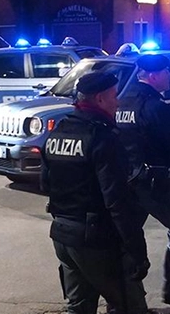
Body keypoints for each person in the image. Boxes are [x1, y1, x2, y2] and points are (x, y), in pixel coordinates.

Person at [41, 70, 152, 314]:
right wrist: (136, 249)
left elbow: (45, 184)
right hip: (96, 238)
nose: (118, 101)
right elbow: (117, 200)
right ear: (100, 99)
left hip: (62, 234)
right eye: (114, 95)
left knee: (79, 307)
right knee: (129, 305)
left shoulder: (59, 130)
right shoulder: (103, 137)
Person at [114, 53, 170, 305]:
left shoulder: (123, 102)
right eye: (167, 72)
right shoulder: (156, 107)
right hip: (151, 180)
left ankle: (123, 297)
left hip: (127, 179)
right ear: (153, 76)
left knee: (128, 237)